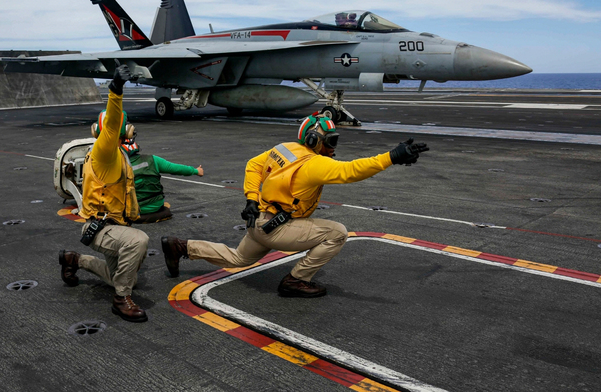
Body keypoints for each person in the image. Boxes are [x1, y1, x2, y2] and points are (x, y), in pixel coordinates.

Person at [161, 114, 429, 298]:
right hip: (278, 227)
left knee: (238, 259)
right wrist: (391, 157)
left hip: (259, 220)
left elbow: (253, 165)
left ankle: (181, 246)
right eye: (331, 141)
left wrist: (251, 198)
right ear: (314, 141)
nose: (334, 146)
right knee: (337, 232)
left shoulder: (286, 148)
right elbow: (351, 171)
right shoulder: (313, 163)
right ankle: (296, 280)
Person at [58, 71, 151, 322]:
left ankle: (75, 260)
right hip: (102, 228)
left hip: (112, 225)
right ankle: (121, 300)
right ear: (125, 130)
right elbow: (112, 124)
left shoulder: (112, 154)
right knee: (137, 242)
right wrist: (116, 89)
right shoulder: (105, 150)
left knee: (120, 276)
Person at [120, 135, 204, 223]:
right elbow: (176, 168)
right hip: (156, 205)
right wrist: (196, 171)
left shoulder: (116, 167)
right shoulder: (152, 159)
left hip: (133, 209)